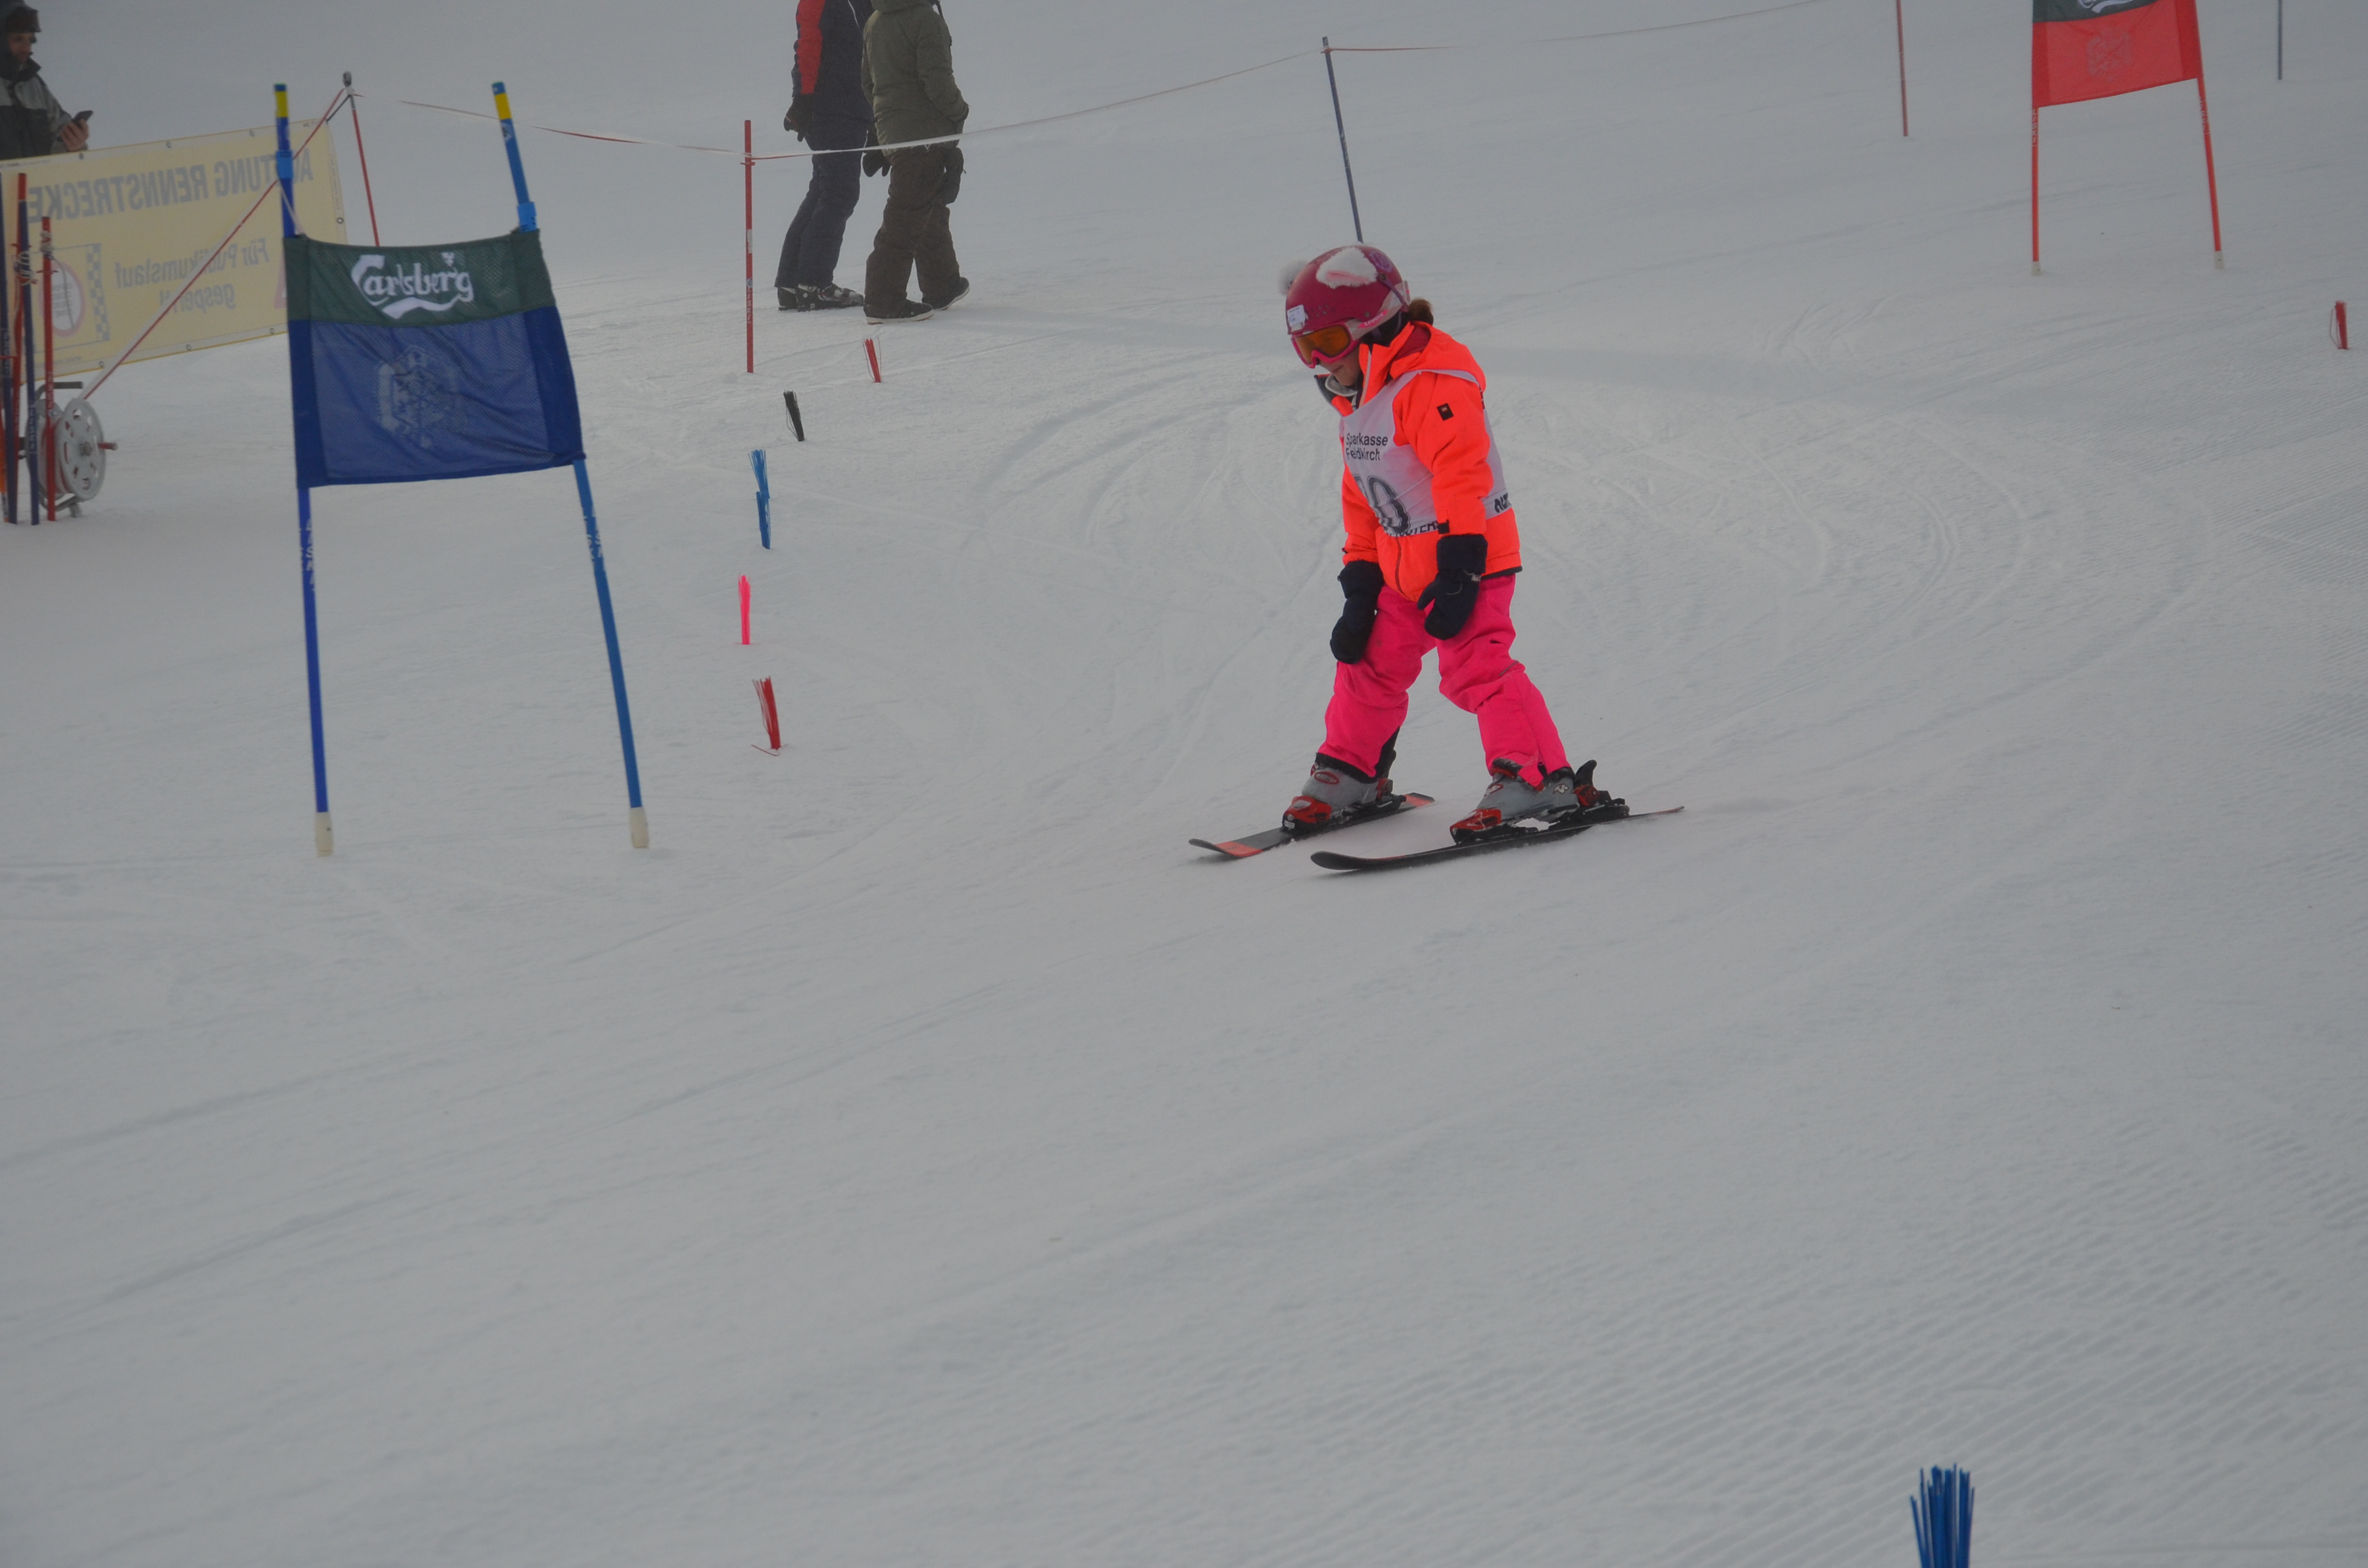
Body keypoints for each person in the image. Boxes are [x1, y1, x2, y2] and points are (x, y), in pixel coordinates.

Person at [1278, 245, 1613, 844]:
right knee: (1368, 664)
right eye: (1305, 349)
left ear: (1373, 328)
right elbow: (1362, 495)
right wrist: (1361, 582)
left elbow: (1463, 474)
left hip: (1468, 558)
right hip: (1401, 567)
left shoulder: (1432, 384)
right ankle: (1352, 771)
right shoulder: (1359, 401)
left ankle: (1537, 776)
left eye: (1327, 343)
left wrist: (1460, 568)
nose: (1319, 363)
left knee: (1476, 668)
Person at [858, 0, 967, 323]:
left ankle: (942, 285)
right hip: (924, 133)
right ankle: (884, 301)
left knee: (926, 204)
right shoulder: (926, 20)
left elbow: (868, 83)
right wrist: (959, 112)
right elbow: (937, 80)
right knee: (905, 215)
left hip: (895, 132)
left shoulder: (875, 21)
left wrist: (888, 123)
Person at [777, 0, 874, 312]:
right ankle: (813, 284)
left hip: (846, 108)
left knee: (824, 190)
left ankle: (794, 283)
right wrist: (803, 98)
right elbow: (808, 44)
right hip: (834, 110)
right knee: (839, 194)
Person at [0, 7, 85, 161]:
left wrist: (72, 146)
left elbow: (58, 134)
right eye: (18, 39)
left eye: (31, 40)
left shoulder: (33, 85)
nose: (27, 49)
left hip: (37, 177)